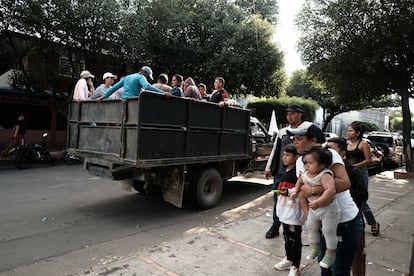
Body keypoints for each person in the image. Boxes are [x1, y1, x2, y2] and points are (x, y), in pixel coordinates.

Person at [287, 121, 363, 275]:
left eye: (299, 138)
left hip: (344, 221)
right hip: (320, 220)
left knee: (339, 270)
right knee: (324, 267)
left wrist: (314, 189)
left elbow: (345, 182)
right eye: (293, 139)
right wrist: (309, 218)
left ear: (313, 140)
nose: (294, 142)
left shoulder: (329, 154)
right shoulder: (300, 162)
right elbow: (302, 191)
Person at [326, 137, 369, 276]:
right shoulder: (321, 170)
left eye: (332, 149)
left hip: (350, 219)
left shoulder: (352, 171)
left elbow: (363, 195)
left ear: (342, 153)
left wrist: (342, 195)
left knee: (357, 253)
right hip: (330, 221)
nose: (327, 152)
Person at [291, 146, 339, 269]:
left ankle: (330, 254)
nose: (307, 166)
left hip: (328, 209)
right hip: (314, 209)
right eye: (305, 162)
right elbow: (299, 181)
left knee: (328, 231)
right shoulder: (307, 174)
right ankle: (315, 248)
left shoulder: (325, 174)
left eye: (310, 163)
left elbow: (331, 190)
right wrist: (296, 191)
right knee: (311, 227)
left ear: (322, 165)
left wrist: (319, 202)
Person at [264, 104, 303, 239]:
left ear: (299, 115)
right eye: (288, 114)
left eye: (292, 114)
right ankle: (275, 227)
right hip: (281, 173)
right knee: (278, 200)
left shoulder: (305, 131)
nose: (289, 116)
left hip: (298, 174)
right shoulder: (282, 132)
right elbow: (275, 150)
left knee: (295, 200)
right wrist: (269, 167)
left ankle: (292, 227)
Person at [273, 144, 305, 276]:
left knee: (295, 239)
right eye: (284, 155)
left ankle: (295, 266)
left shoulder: (298, 174)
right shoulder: (285, 171)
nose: (284, 158)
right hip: (284, 212)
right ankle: (288, 258)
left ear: (296, 157)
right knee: (286, 236)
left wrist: (290, 191)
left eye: (288, 155)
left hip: (294, 213)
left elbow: (302, 190)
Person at [346, 123, 380, 236]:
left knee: (361, 199)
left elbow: (368, 160)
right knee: (351, 198)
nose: (348, 132)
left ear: (358, 133)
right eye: (348, 130)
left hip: (360, 174)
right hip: (349, 174)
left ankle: (373, 223)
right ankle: (356, 223)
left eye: (350, 131)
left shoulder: (363, 144)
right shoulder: (347, 144)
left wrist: (354, 167)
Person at [96, 66, 166, 101]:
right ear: (143, 72)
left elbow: (114, 88)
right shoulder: (141, 77)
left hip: (124, 103)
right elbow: (147, 87)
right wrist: (163, 93)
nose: (146, 78)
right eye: (147, 76)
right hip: (134, 103)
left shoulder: (127, 77)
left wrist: (103, 97)